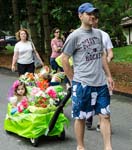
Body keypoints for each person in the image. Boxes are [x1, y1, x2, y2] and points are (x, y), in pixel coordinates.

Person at [61, 2, 114, 150]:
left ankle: (108, 147)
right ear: (80, 15)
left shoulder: (98, 34)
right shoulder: (74, 36)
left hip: (101, 83)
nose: (92, 16)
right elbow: (64, 58)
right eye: (88, 14)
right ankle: (80, 146)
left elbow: (102, 55)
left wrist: (108, 76)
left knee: (105, 115)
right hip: (82, 84)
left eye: (93, 14)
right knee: (81, 117)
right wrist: (72, 80)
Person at [86, 14, 114, 131]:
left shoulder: (104, 35)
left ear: (97, 20)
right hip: (88, 73)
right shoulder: (82, 34)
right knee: (89, 96)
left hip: (102, 73)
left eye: (95, 18)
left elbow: (110, 53)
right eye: (90, 17)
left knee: (104, 97)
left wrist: (106, 62)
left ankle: (101, 122)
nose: (92, 20)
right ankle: (88, 116)